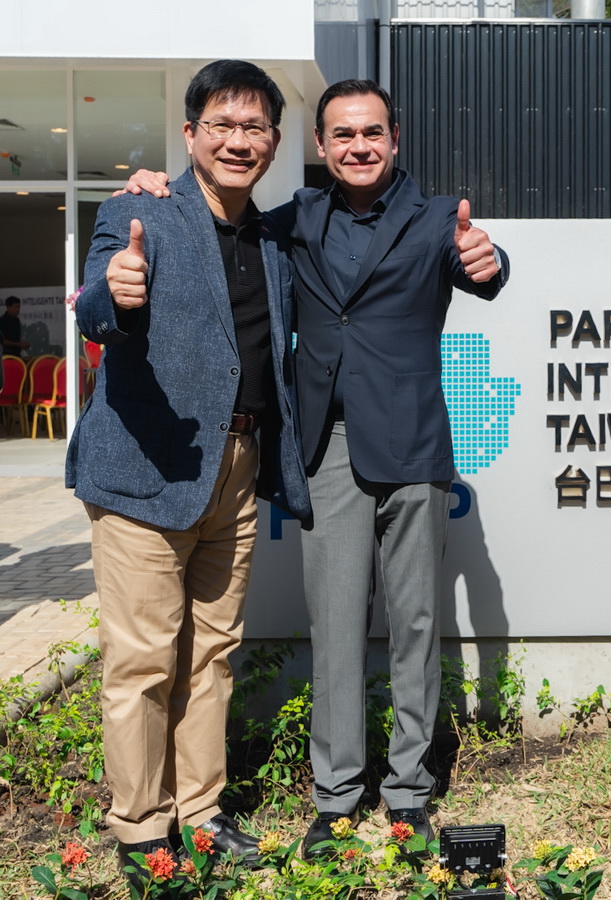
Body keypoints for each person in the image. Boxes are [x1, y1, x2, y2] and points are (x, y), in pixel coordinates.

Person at [124, 78, 508, 856]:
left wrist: (489, 258)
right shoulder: (294, 219)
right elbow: (216, 221)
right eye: (341, 136)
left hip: (413, 451)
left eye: (372, 133)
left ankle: (408, 793)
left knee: (416, 626)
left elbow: (486, 269)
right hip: (326, 449)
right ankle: (335, 798)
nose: (357, 146)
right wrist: (154, 184)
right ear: (322, 146)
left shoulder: (439, 218)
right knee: (333, 627)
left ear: (394, 139)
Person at [69, 60, 311, 892]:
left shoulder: (275, 235)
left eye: (254, 129)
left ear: (275, 143)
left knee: (212, 653)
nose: (238, 141)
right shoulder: (144, 210)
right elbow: (99, 297)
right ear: (191, 136)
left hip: (237, 469)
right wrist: (112, 291)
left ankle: (201, 811)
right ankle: (142, 830)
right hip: (144, 465)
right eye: (222, 125)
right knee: (141, 662)